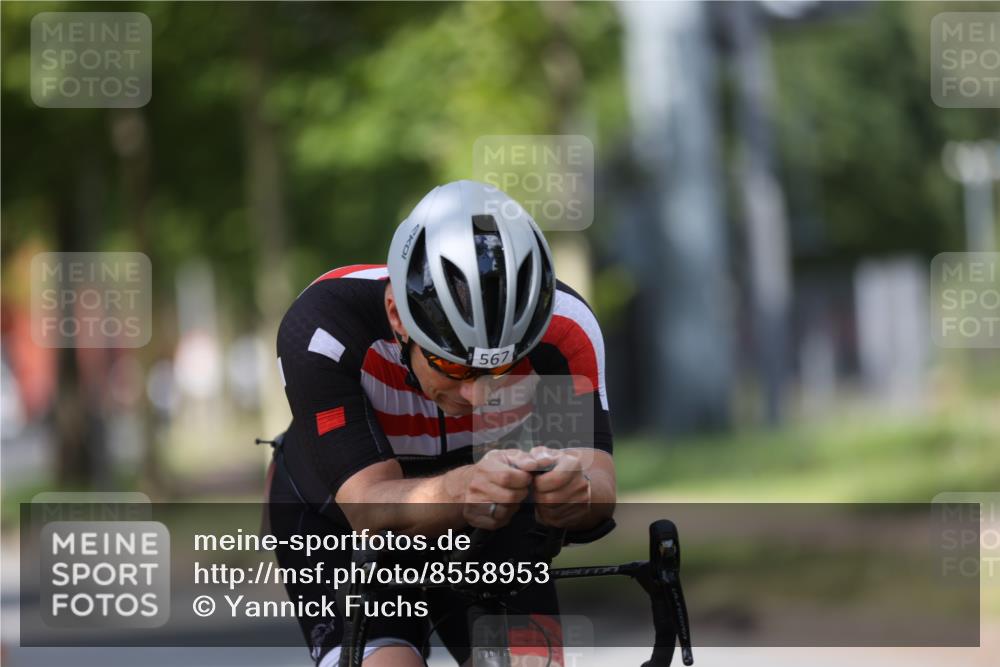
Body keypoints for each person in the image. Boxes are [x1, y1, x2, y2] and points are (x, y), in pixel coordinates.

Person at [267, 180, 615, 667]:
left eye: (499, 369)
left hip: (490, 518)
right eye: (454, 367)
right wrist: (467, 487)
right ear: (398, 317)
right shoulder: (323, 327)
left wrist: (571, 494)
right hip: (345, 524)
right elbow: (371, 510)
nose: (476, 394)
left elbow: (598, 485)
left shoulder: (564, 327)